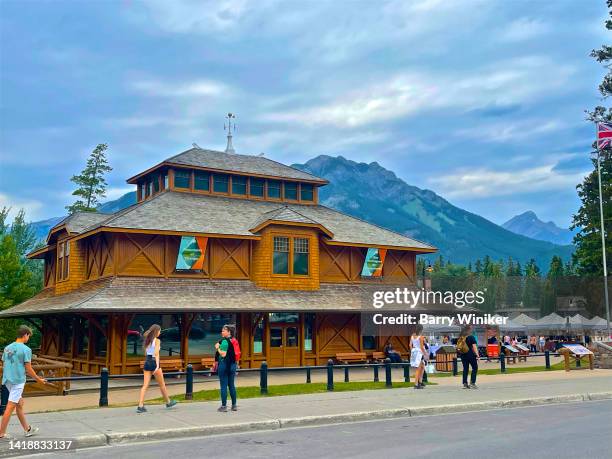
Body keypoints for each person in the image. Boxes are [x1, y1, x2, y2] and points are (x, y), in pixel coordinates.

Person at [0, 325, 47, 440]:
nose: (28, 338)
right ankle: (1, 433)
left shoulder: (7, 348)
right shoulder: (26, 350)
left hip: (7, 380)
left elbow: (4, 364)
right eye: (29, 336)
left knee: (19, 404)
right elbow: (29, 369)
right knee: (10, 407)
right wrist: (38, 379)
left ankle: (27, 429)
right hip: (18, 381)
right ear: (25, 334)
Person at [136, 324, 177, 413]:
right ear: (156, 331)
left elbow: (146, 354)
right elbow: (156, 353)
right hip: (154, 362)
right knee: (162, 385)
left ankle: (140, 405)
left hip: (147, 362)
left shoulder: (146, 340)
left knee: (145, 385)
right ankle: (168, 402)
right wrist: (157, 366)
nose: (160, 332)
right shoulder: (157, 341)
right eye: (159, 331)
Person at [215, 324, 239, 412]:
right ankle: (234, 405)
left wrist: (217, 348)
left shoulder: (224, 341)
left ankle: (224, 406)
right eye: (222, 330)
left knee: (223, 386)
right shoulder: (234, 341)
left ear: (229, 332)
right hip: (233, 365)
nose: (222, 332)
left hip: (224, 365)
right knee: (231, 385)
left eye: (224, 330)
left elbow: (223, 354)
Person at [457, 324, 479, 389]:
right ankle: (472, 383)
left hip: (463, 354)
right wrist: (477, 355)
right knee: (475, 367)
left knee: (465, 368)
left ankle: (465, 384)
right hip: (470, 354)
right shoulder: (471, 337)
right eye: (471, 329)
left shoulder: (461, 337)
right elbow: (474, 347)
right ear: (469, 330)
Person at [409, 325, 427, 389]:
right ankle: (416, 384)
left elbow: (410, 345)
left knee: (422, 367)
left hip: (415, 352)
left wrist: (413, 351)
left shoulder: (412, 335)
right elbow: (422, 347)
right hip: (419, 353)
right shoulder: (420, 337)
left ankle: (420, 381)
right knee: (418, 369)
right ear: (421, 330)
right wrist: (426, 354)